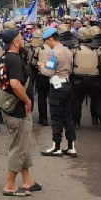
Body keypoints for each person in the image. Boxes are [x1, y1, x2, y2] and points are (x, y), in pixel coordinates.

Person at [0, 29, 40, 197]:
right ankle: (10, 184)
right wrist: (27, 101)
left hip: (10, 107)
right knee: (19, 146)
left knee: (24, 144)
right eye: (20, 38)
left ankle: (27, 180)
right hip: (17, 109)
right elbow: (15, 84)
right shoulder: (14, 60)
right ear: (15, 42)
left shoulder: (3, 58)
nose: (23, 40)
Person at [39, 28, 77, 157]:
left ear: (51, 39)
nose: (46, 44)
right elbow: (71, 69)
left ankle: (56, 146)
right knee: (68, 118)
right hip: (67, 84)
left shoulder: (53, 53)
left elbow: (49, 72)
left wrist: (42, 67)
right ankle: (71, 146)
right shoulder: (68, 51)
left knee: (56, 118)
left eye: (46, 41)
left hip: (57, 87)